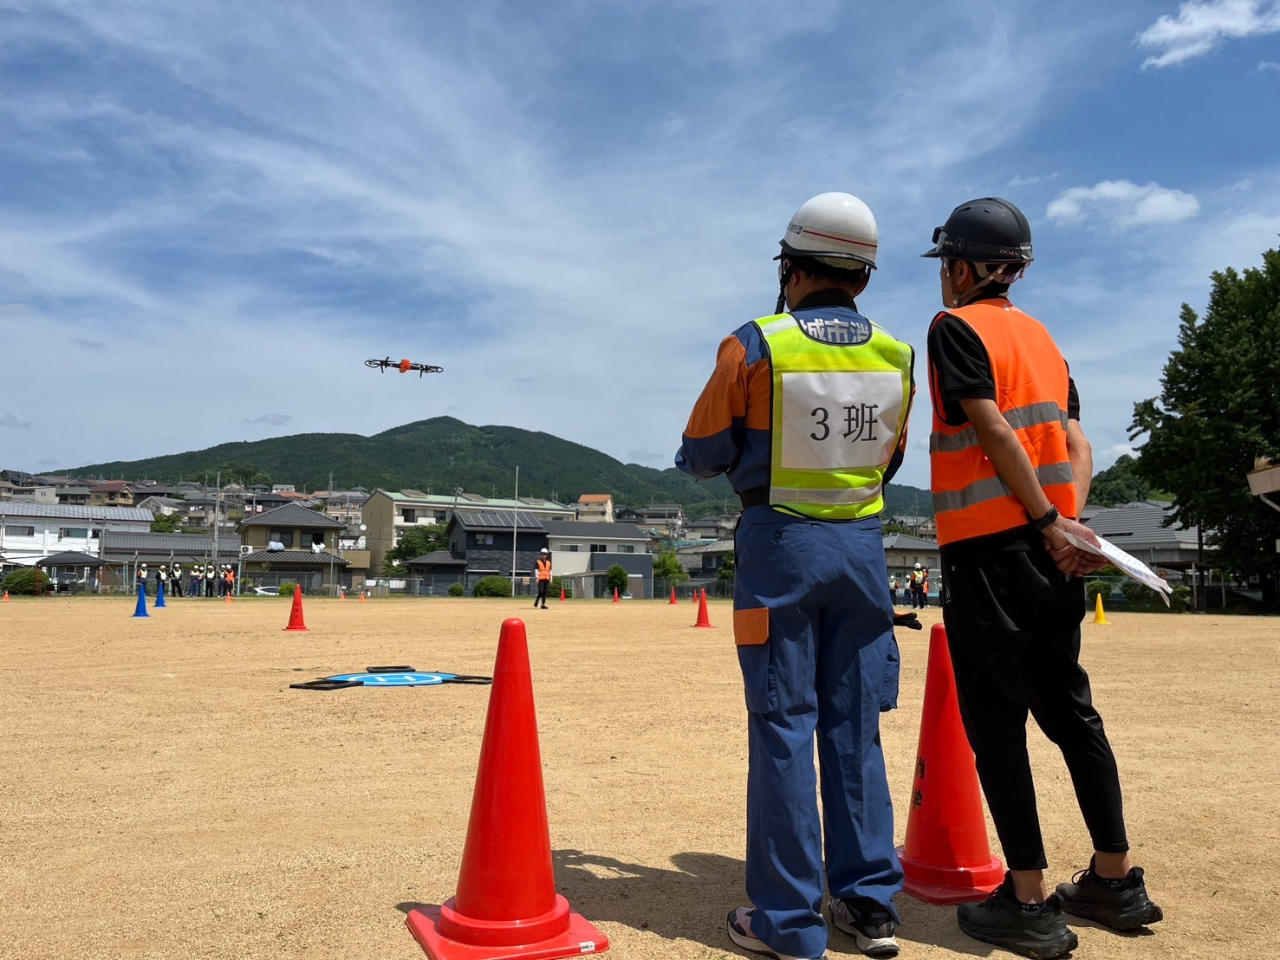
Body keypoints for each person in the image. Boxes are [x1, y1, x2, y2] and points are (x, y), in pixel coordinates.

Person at [676, 192, 914, 960]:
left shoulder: (756, 343)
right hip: (865, 551)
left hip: (781, 548)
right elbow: (893, 458)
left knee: (784, 722)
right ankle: (870, 906)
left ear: (792, 267)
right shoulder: (897, 355)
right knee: (855, 725)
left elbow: (705, 450)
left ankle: (788, 922)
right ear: (864, 279)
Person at [922, 197, 1162, 958]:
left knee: (997, 724)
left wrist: (1040, 520)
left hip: (992, 551)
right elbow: (1078, 438)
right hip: (1055, 550)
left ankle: (1026, 898)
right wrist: (1068, 522)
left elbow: (990, 426)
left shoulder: (953, 328)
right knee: (1070, 710)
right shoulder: (1044, 339)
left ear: (963, 267)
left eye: (947, 266)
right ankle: (1114, 880)